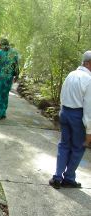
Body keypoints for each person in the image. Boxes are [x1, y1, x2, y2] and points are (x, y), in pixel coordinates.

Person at [49, 50, 91, 189]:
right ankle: (69, 178)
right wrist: (89, 131)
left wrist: (63, 111)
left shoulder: (71, 74)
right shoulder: (89, 79)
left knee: (64, 145)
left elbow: (62, 94)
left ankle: (57, 176)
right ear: (89, 63)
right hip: (78, 115)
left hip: (65, 112)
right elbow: (88, 107)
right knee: (78, 147)